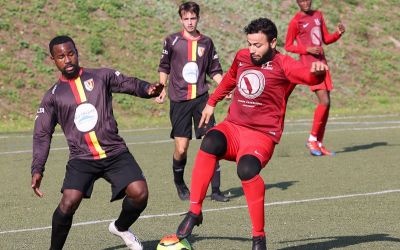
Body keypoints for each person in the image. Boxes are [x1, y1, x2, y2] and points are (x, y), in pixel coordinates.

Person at [174, 18, 328, 250]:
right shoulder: (243, 56)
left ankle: (259, 237)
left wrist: (316, 74)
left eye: (258, 45)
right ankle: (195, 211)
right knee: (211, 142)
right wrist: (212, 102)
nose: (253, 50)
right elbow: (231, 78)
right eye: (250, 44)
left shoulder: (284, 64)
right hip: (234, 127)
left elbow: (307, 76)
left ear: (273, 42)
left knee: (246, 170)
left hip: (262, 135)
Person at [30, 35, 163, 250]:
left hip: (114, 151)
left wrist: (148, 89)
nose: (68, 60)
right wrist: (37, 168)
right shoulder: (53, 96)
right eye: (61, 56)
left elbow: (128, 83)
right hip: (82, 158)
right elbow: (42, 134)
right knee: (68, 202)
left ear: (77, 52)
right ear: (53, 60)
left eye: (71, 54)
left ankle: (120, 227)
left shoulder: (100, 76)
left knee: (140, 193)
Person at [156, 1, 228, 202]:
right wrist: (162, 87)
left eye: (193, 18)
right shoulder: (172, 41)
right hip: (179, 100)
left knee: (212, 142)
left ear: (198, 18)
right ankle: (180, 183)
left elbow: (214, 69)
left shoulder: (207, 42)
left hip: (201, 99)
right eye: (186, 18)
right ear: (181, 19)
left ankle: (215, 190)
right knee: (181, 147)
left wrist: (224, 87)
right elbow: (164, 67)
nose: (189, 22)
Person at [285, 0, 345, 156]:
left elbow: (326, 39)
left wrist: (338, 33)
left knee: (327, 104)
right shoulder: (295, 21)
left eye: (307, 0)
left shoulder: (318, 15)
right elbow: (288, 46)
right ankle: (312, 139)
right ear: (297, 2)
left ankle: (319, 143)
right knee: (324, 101)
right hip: (310, 66)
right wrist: (307, 49)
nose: (305, 3)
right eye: (301, 0)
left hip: (322, 63)